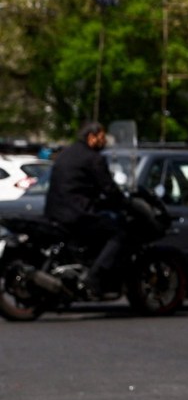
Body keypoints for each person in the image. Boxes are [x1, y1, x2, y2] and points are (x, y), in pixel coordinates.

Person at [45, 122, 128, 298]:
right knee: (118, 233)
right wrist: (124, 202)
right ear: (91, 137)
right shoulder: (93, 158)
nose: (104, 142)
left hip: (54, 212)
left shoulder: (65, 153)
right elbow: (108, 188)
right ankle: (94, 277)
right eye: (102, 138)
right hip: (77, 214)